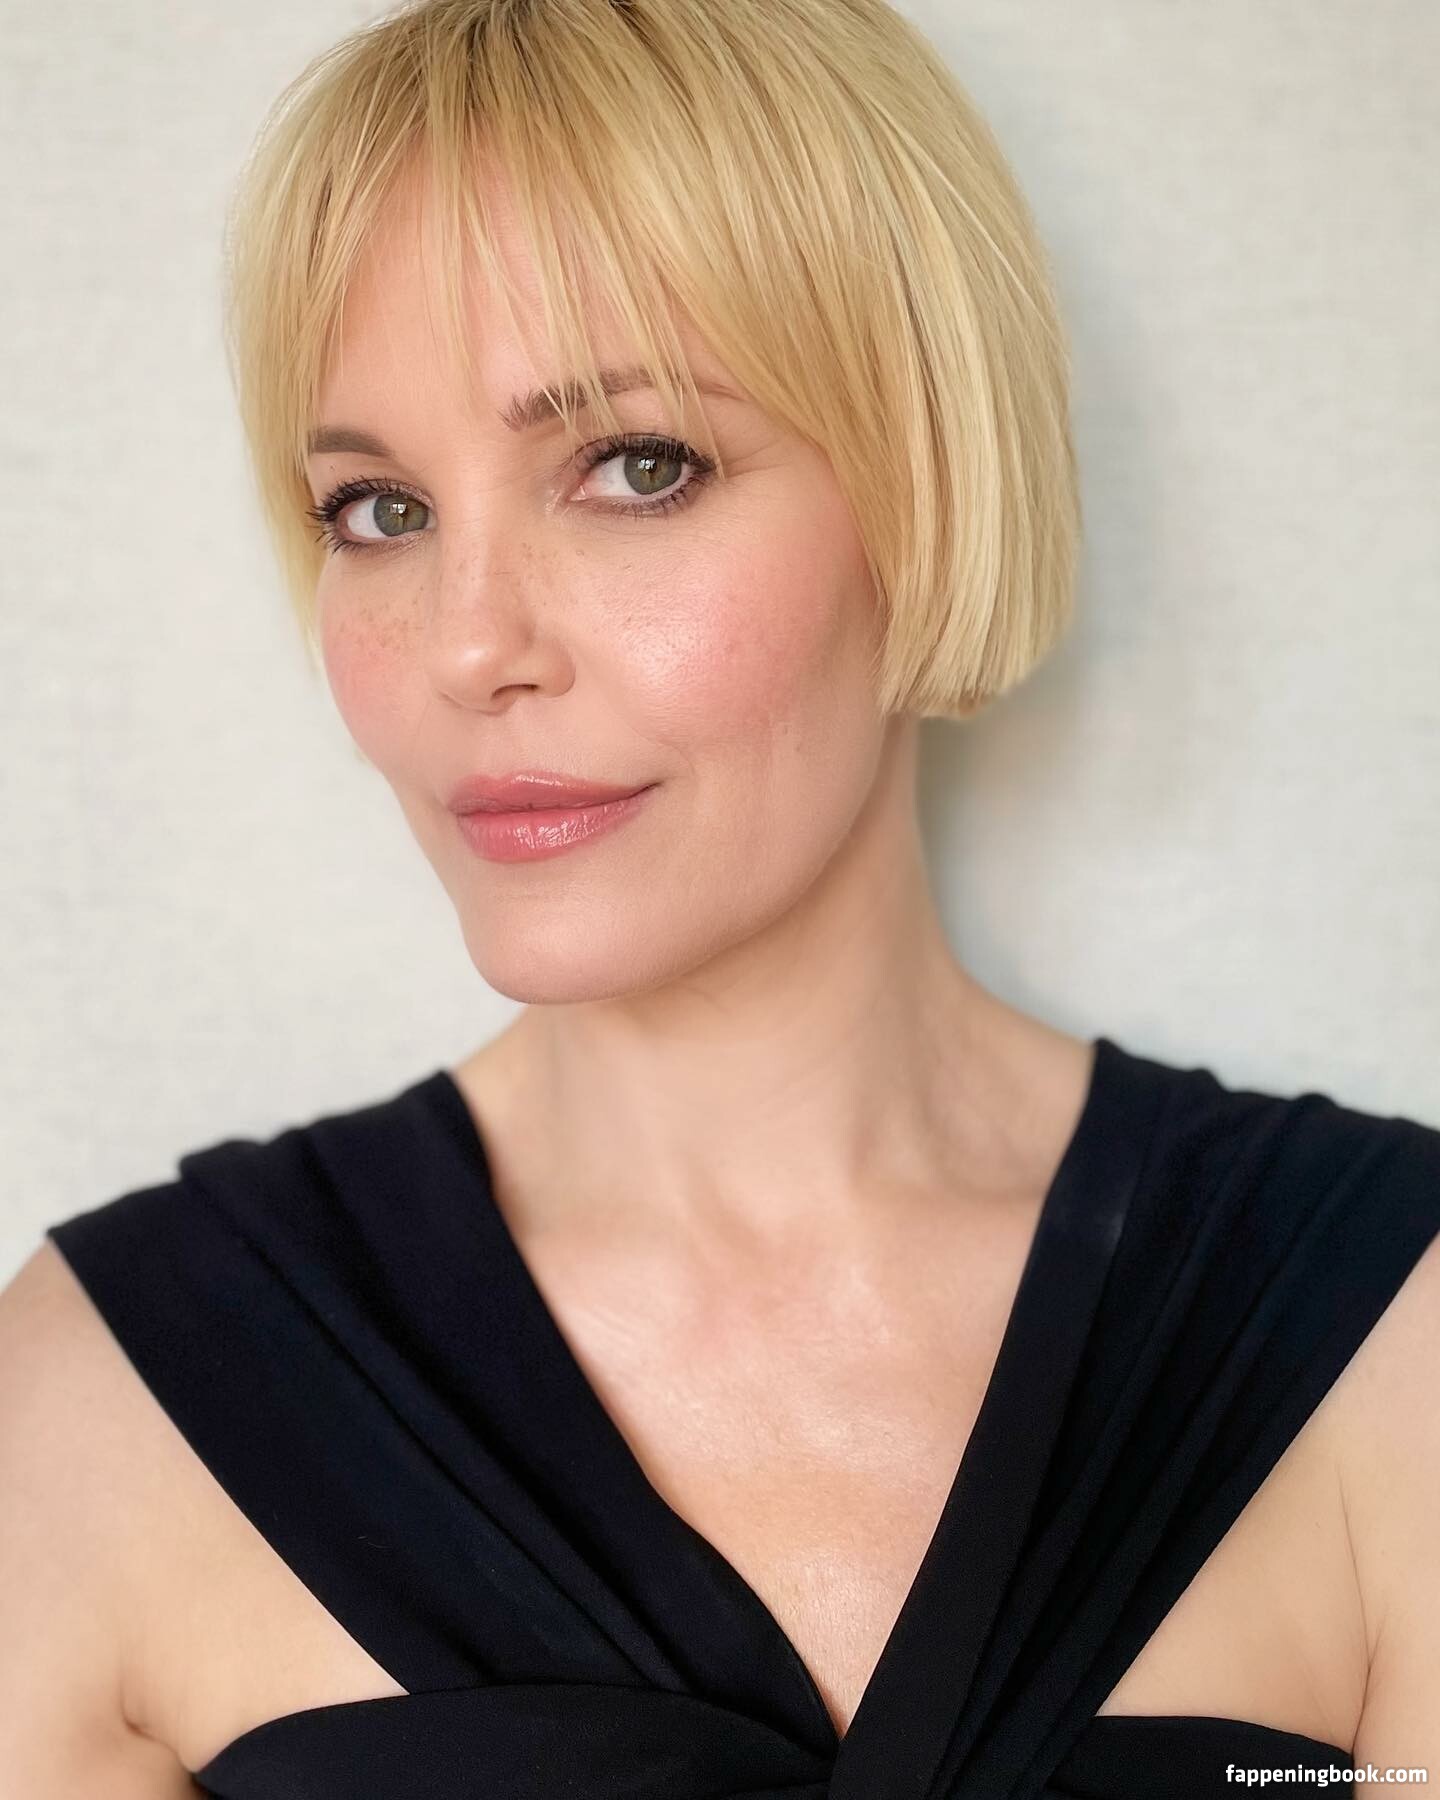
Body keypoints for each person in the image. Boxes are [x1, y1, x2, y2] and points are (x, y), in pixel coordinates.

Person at [3, 0, 1438, 1794]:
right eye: (379, 509)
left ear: (925, 486)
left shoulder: (1388, 1331)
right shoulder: (102, 1406)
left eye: (635, 466)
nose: (467, 646)